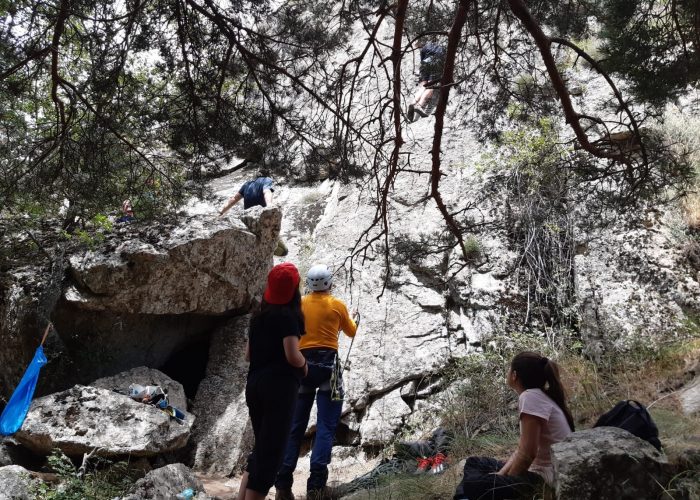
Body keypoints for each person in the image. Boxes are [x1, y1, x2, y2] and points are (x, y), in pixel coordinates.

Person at [274, 264, 359, 500]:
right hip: (329, 371)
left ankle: (282, 486)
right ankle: (316, 488)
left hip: (301, 368)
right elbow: (351, 332)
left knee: (294, 427)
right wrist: (353, 319)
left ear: (308, 284)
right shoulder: (337, 305)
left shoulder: (298, 305)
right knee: (326, 427)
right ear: (329, 283)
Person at [453, 351, 575, 500]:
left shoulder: (529, 397)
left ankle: (464, 496)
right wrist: (500, 475)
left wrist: (504, 481)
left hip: (545, 480)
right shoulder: (539, 395)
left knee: (474, 484)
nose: (507, 372)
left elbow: (527, 454)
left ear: (514, 375)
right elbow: (521, 450)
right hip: (539, 472)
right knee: (475, 463)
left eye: (509, 368)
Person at [237, 262, 308, 500]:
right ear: (295, 289)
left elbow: (248, 355)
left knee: (261, 447)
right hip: (279, 388)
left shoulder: (258, 316)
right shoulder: (288, 316)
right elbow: (292, 354)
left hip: (254, 384)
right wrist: (305, 365)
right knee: (272, 453)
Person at [407, 39, 445, 122]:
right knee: (430, 87)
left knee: (423, 87)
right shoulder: (439, 48)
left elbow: (422, 63)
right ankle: (420, 106)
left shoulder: (423, 50)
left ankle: (413, 103)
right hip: (436, 64)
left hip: (425, 64)